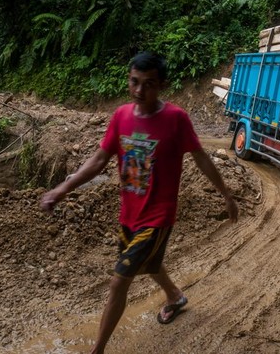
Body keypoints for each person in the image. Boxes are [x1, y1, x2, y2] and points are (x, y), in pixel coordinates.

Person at [39, 52, 238, 354]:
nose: (139, 91)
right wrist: (62, 188)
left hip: (158, 217)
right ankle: (174, 297)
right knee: (149, 264)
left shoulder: (176, 119)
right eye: (134, 82)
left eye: (149, 84)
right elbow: (98, 160)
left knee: (120, 281)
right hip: (129, 214)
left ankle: (98, 350)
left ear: (162, 86)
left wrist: (226, 194)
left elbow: (200, 158)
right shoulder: (121, 116)